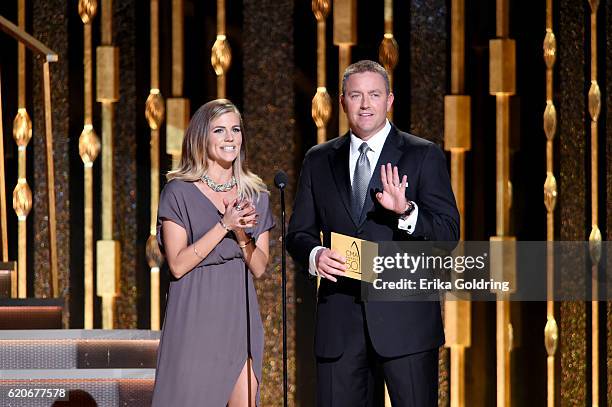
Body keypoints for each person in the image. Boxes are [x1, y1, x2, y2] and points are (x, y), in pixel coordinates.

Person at [287, 60, 459, 406]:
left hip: (406, 325)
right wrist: (315, 254)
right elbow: (298, 233)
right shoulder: (318, 160)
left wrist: (407, 212)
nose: (365, 104)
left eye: (374, 95)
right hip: (341, 325)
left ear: (389, 100)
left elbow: (448, 233)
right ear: (342, 102)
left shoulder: (422, 155)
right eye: (356, 95)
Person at [151, 99, 274, 407]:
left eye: (235, 129)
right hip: (194, 318)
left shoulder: (256, 195)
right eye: (219, 130)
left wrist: (241, 232)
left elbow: (259, 267)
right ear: (201, 138)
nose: (230, 138)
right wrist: (224, 225)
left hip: (239, 318)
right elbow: (177, 265)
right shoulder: (178, 192)